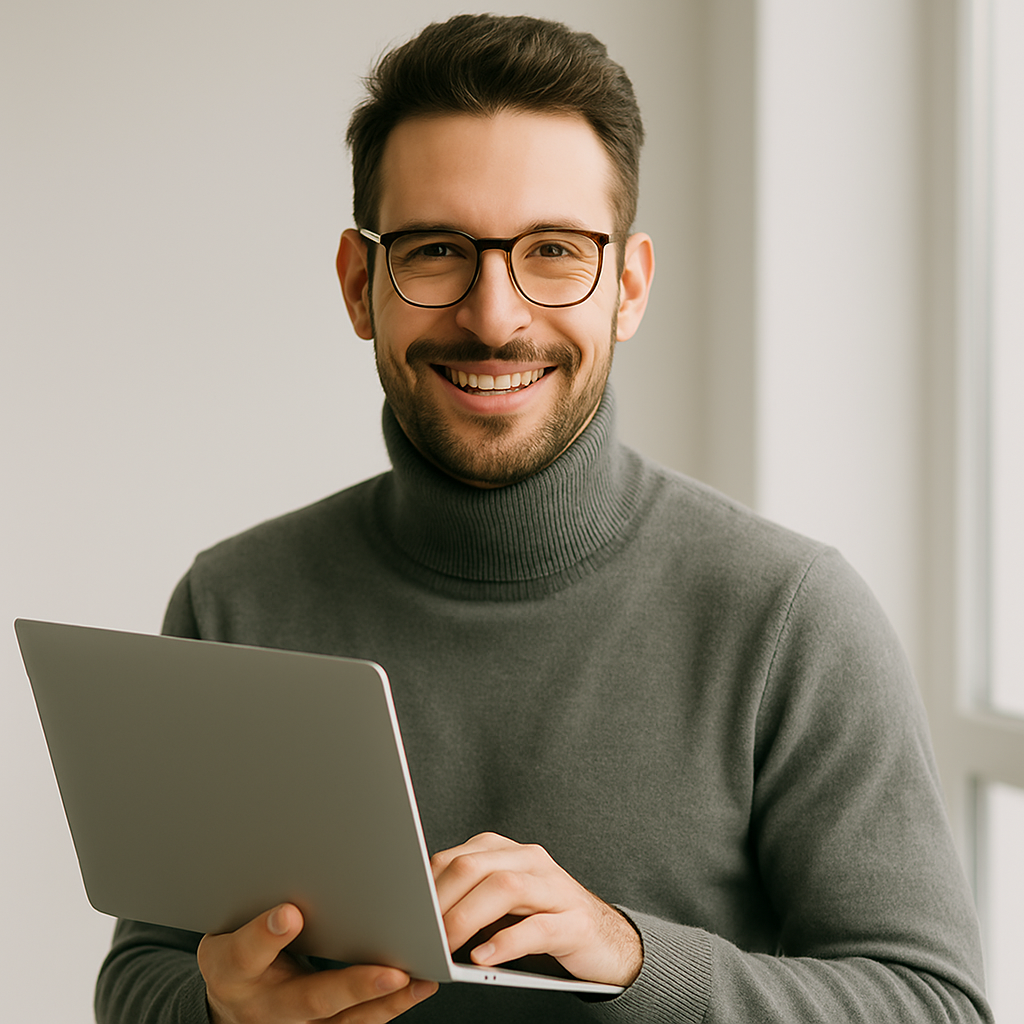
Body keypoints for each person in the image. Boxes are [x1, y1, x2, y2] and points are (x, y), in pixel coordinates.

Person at [95, 13, 992, 1024]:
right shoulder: (233, 603)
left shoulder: (790, 615)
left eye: (554, 250)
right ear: (358, 284)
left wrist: (633, 958)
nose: (493, 315)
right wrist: (221, 1011)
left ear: (628, 288)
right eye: (436, 250)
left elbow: (935, 1005)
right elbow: (141, 978)